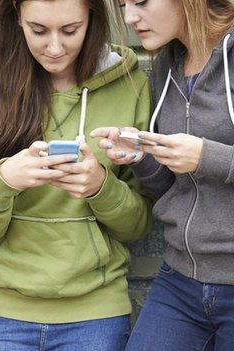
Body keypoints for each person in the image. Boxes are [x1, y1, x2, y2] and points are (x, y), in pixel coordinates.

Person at [0, 0, 153, 350]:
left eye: (70, 30)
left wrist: (100, 188)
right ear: (17, 17)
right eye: (38, 30)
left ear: (92, 18)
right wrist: (5, 181)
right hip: (1, 311)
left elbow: (136, 226)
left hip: (95, 312)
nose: (55, 47)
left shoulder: (130, 85)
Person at [92, 1, 234, 350]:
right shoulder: (167, 65)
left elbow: (203, 161)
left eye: (141, 2)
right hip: (180, 279)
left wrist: (206, 156)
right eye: (124, 5)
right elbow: (173, 187)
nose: (129, 18)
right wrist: (142, 158)